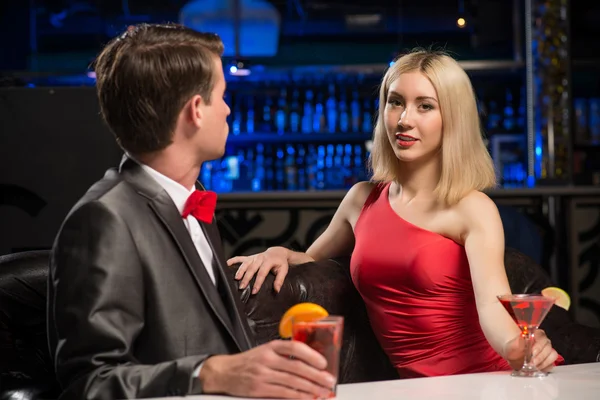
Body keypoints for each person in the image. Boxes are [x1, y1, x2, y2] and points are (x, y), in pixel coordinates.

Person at [228, 49, 562, 378]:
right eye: (395, 101)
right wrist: (279, 253)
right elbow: (312, 259)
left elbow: (492, 305)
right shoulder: (362, 199)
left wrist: (516, 347)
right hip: (412, 390)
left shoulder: (472, 208)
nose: (404, 119)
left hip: (485, 379)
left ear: (453, 119)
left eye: (425, 106)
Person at [47, 23, 335, 400]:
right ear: (196, 110)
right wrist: (210, 373)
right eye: (222, 96)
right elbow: (88, 384)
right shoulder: (103, 219)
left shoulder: (194, 200)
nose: (229, 110)